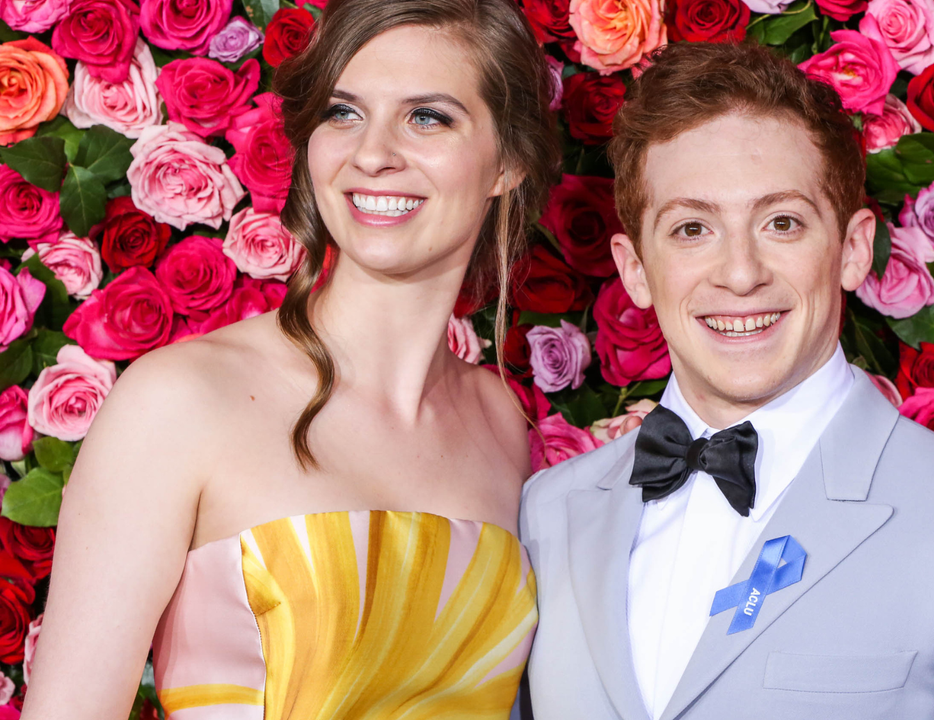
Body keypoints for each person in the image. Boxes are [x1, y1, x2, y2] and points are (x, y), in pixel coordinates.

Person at [519, 41, 934, 720]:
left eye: (782, 223)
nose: (740, 273)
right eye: (691, 228)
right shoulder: (549, 515)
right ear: (636, 271)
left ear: (853, 250)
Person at [23, 0, 557, 716]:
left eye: (427, 117)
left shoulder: (500, 423)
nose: (373, 153)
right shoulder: (180, 401)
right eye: (343, 113)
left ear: (509, 162)